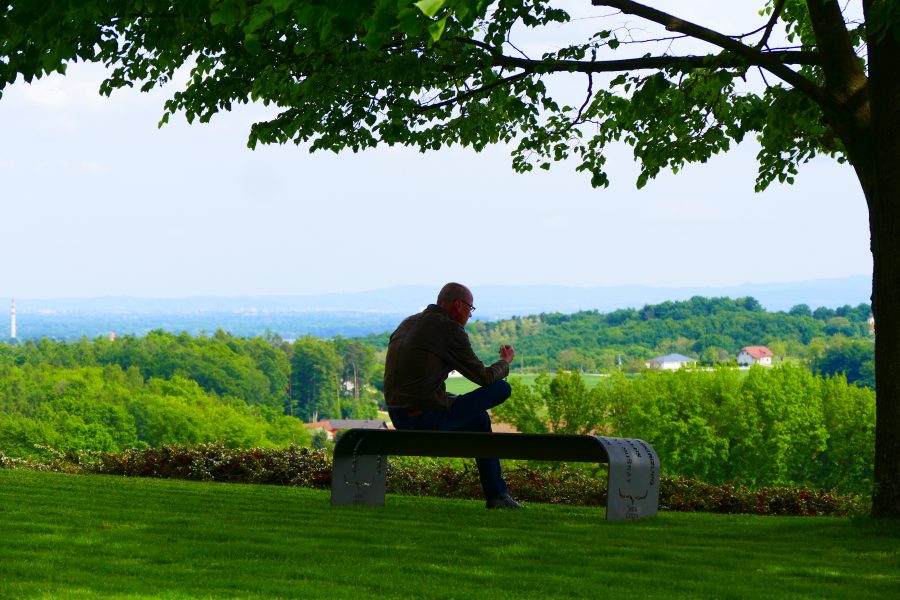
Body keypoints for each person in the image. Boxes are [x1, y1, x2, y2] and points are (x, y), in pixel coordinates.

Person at [383, 282, 522, 509]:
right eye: (470, 309)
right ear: (458, 305)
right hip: (423, 418)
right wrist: (504, 363)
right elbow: (484, 377)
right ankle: (497, 495)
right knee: (501, 388)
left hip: (398, 415)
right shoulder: (448, 329)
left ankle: (498, 495)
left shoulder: (407, 323)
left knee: (479, 419)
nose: (470, 315)